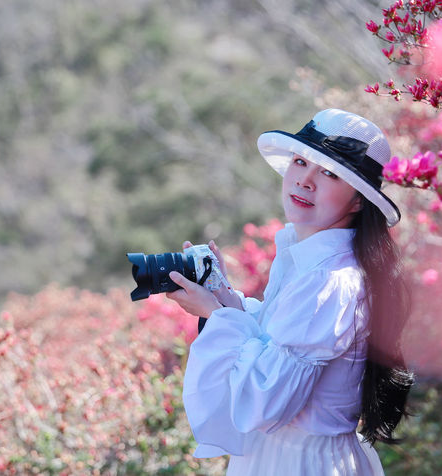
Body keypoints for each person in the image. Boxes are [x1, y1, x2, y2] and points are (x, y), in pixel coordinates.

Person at [166, 108, 413, 475]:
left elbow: (265, 402)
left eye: (329, 174)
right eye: (300, 162)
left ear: (358, 200)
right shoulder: (314, 263)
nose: (305, 181)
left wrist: (216, 316)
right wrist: (227, 301)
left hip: (300, 463)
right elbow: (276, 344)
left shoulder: (329, 280)